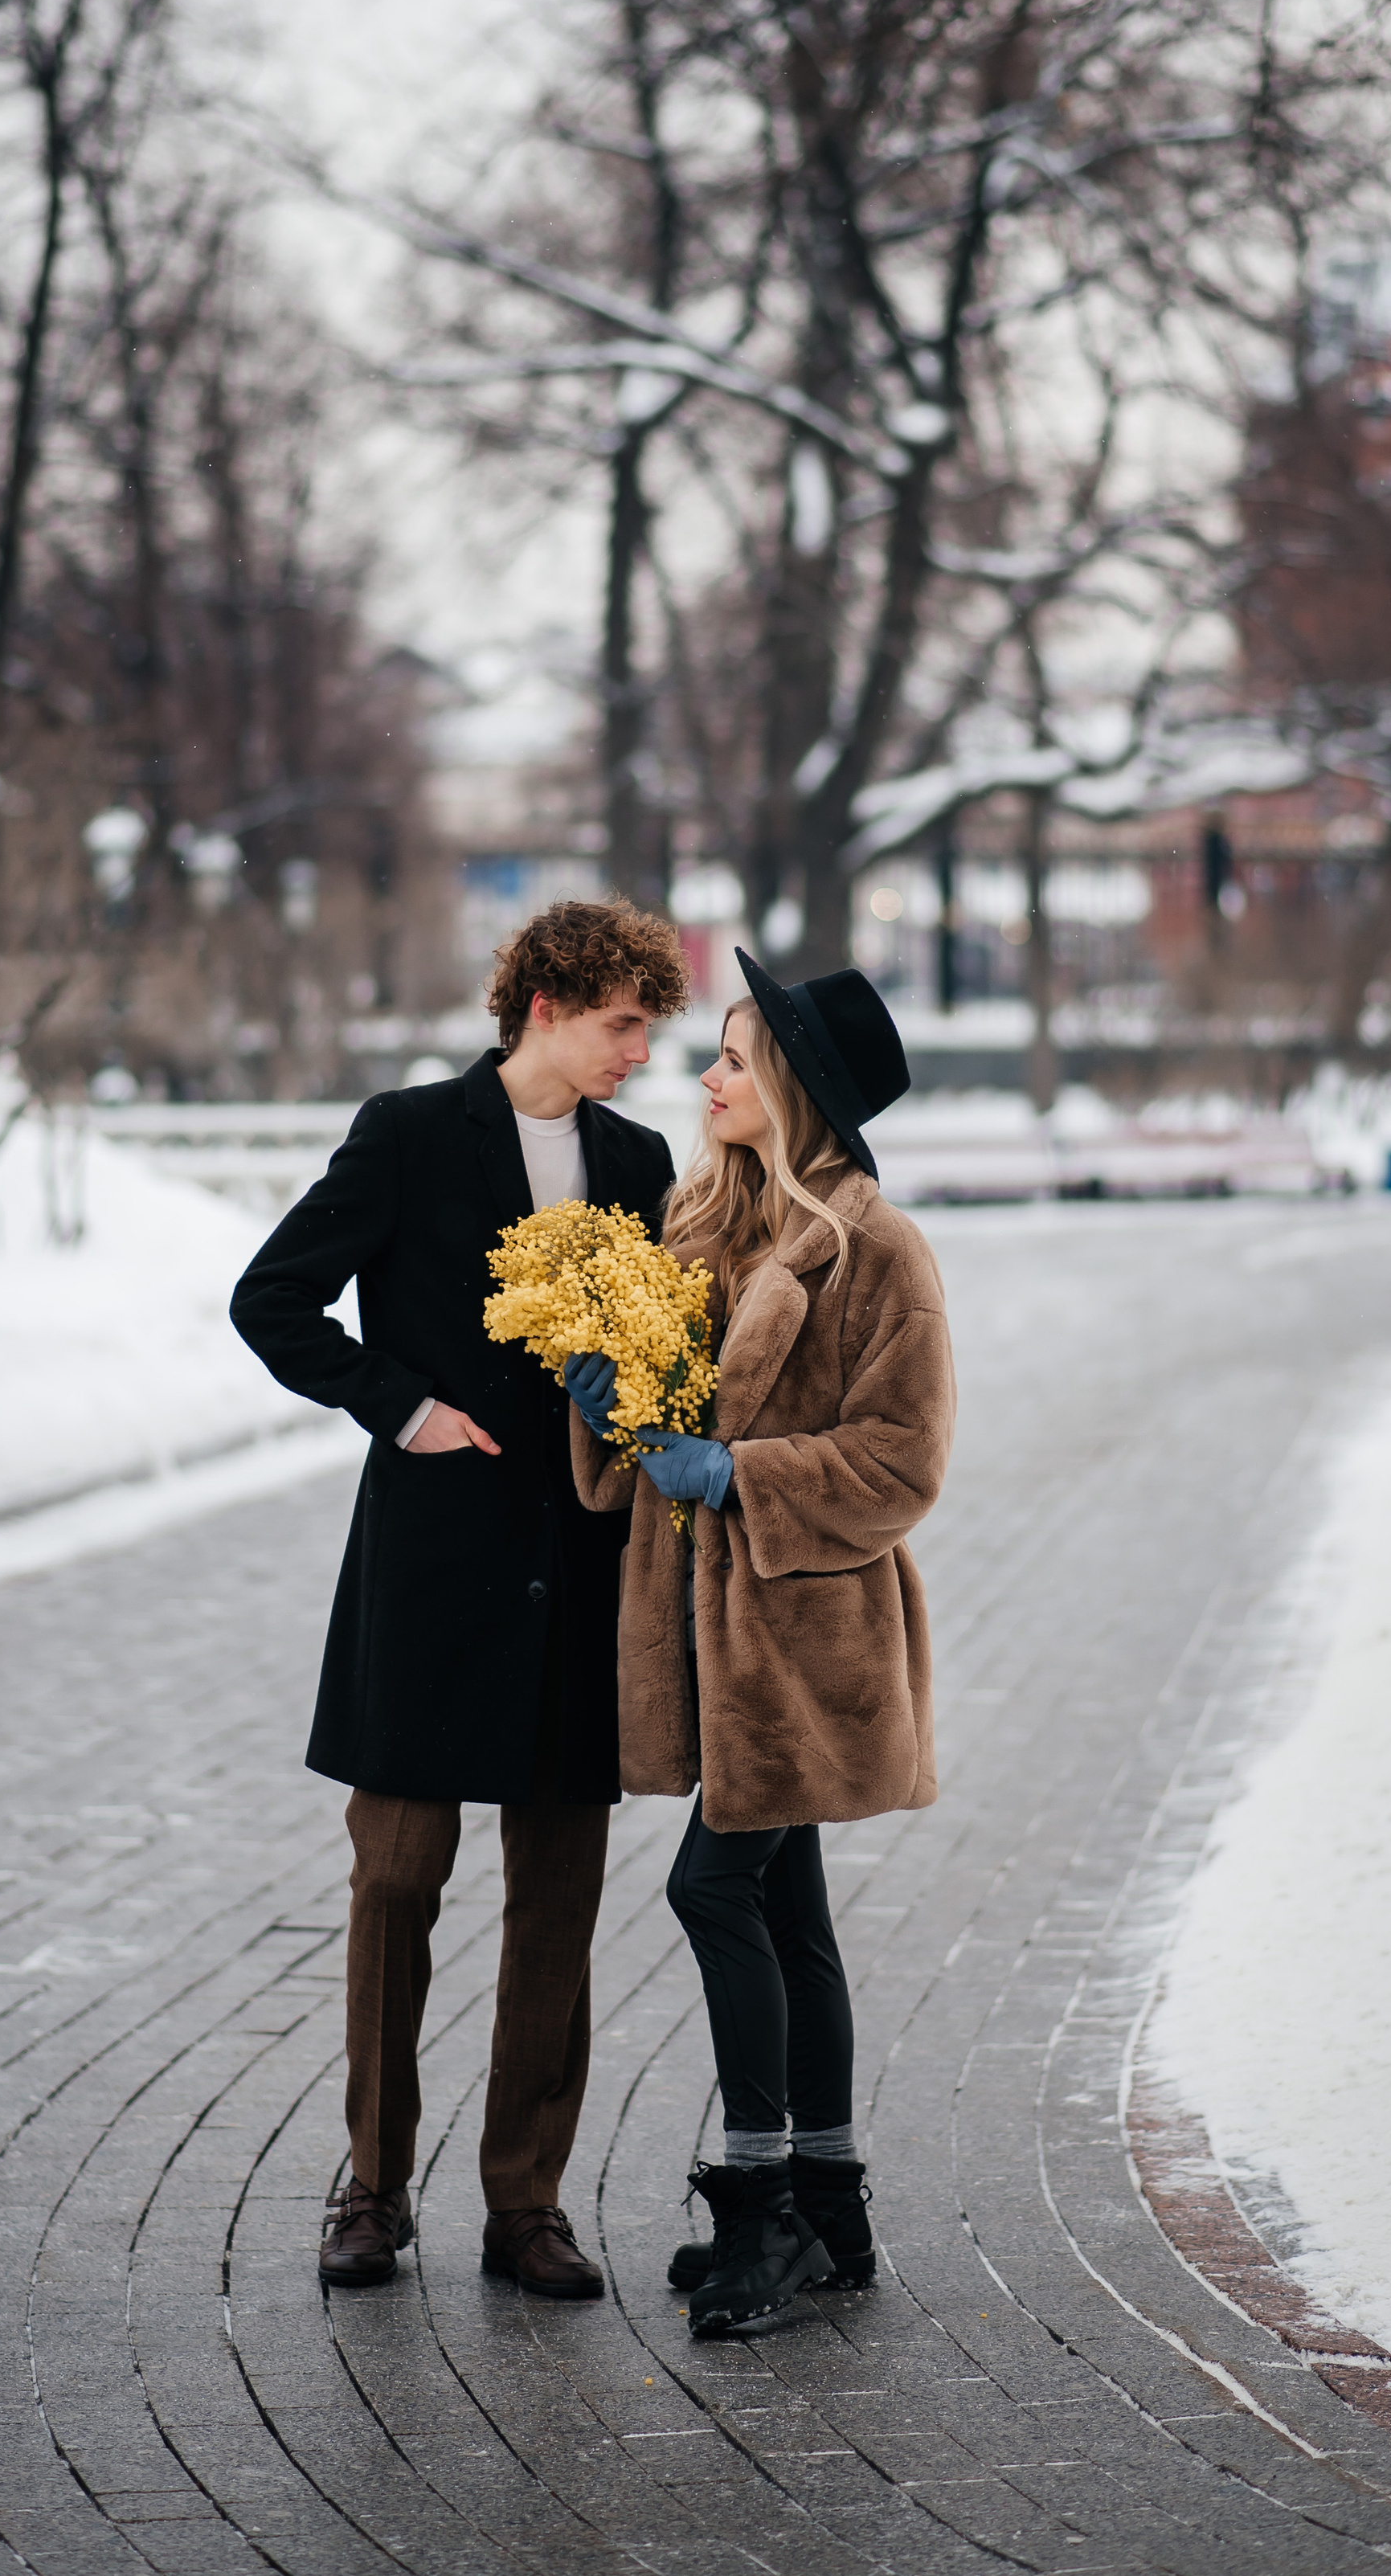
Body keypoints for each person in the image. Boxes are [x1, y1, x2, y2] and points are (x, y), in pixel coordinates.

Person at [229, 899, 686, 2300]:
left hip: (580, 1576)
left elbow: (660, 1358)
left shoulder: (638, 1160)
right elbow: (276, 1298)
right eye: (624, 1023)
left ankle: (526, 2201)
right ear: (546, 1001)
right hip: (430, 1571)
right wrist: (400, 1404)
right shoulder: (409, 1132)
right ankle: (371, 2186)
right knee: (396, 1879)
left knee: (556, 1898)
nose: (640, 1053)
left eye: (654, 1030)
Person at [564, 946, 952, 2337]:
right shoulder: (697, 1225)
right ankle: (831, 2199)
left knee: (713, 1893)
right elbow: (642, 1460)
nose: (709, 1074)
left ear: (794, 1087)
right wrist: (609, 1408)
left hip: (804, 1638)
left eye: (735, 1056)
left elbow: (906, 1459)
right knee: (789, 1911)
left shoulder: (874, 1247)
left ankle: (762, 2207)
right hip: (705, 1629)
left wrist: (747, 1477)